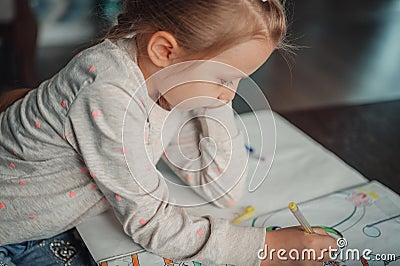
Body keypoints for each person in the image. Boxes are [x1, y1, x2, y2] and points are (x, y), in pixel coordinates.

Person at [0, 0, 338, 265]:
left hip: (59, 224)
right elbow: (150, 224)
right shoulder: (110, 92)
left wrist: (214, 97)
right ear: (164, 50)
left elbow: (223, 189)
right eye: (225, 78)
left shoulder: (171, 83)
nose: (232, 95)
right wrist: (266, 249)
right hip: (13, 235)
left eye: (239, 80)